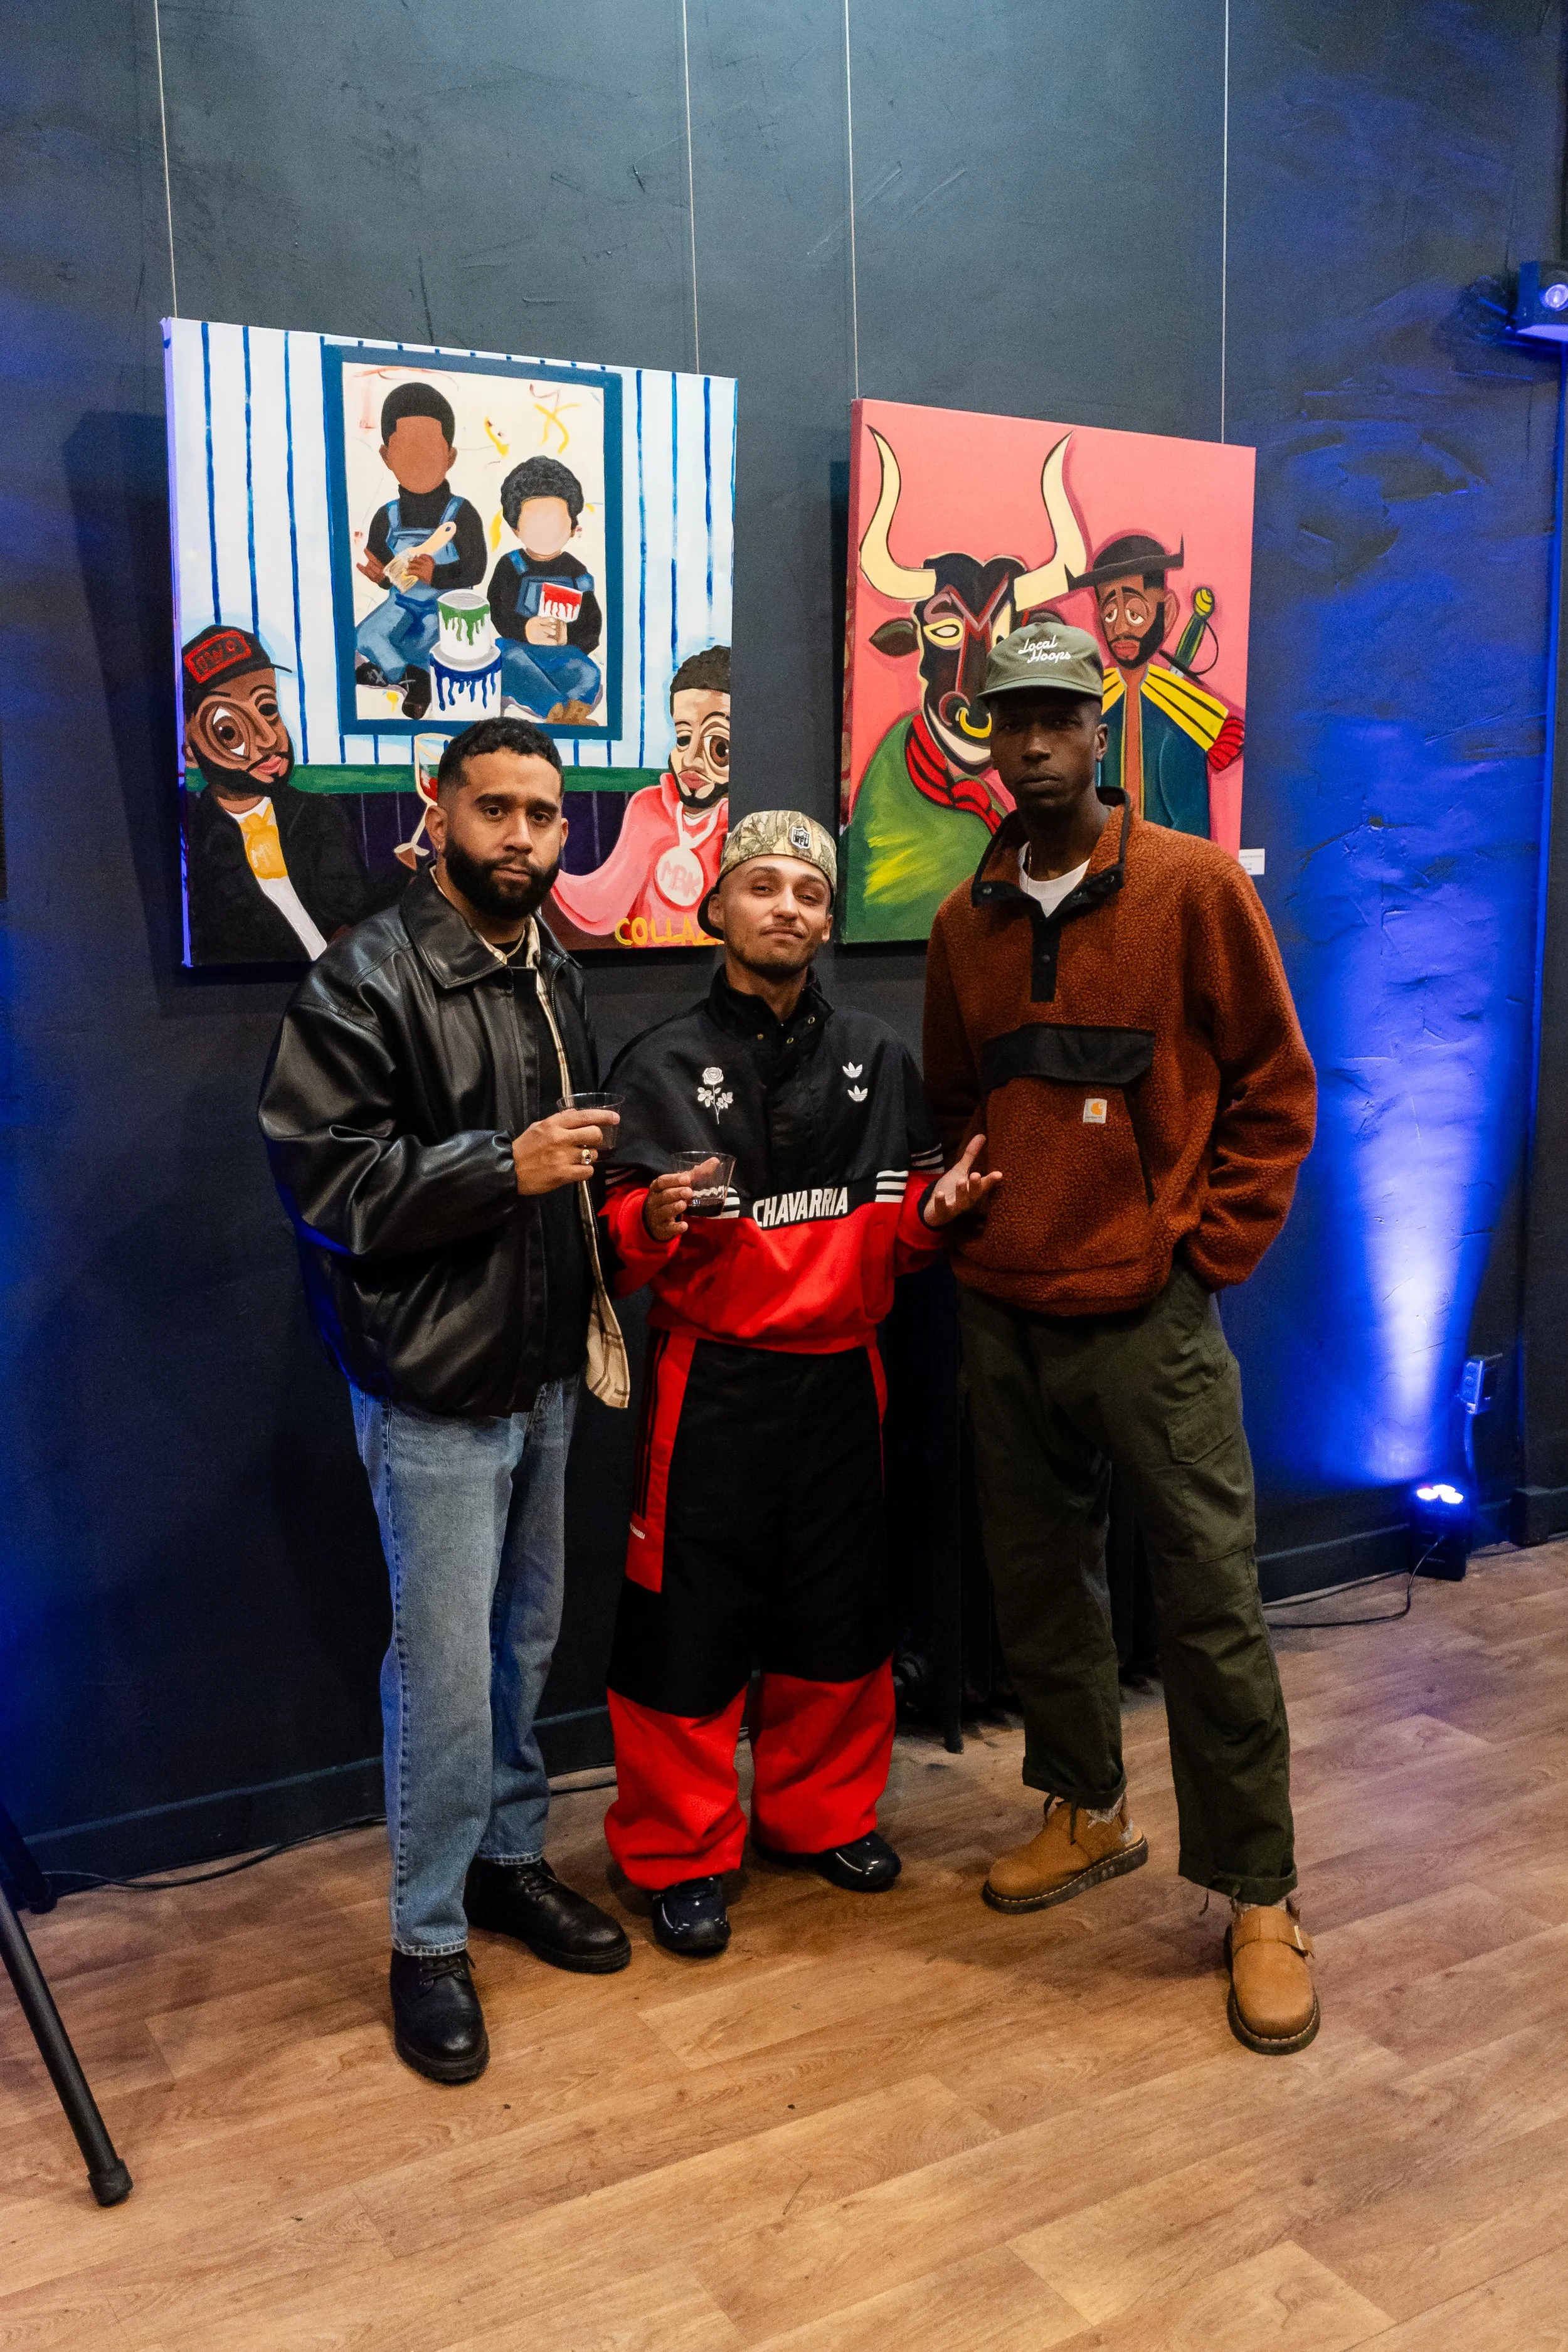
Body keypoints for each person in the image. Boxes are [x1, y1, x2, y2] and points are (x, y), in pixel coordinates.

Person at [922, 619, 1320, 2056]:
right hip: (1004, 1309)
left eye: (1057, 720)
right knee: (1039, 1582)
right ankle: (1083, 1802)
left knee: (1209, 1599)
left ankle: (1262, 1893)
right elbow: (957, 1098)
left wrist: (1201, 1251)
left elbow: (1276, 1086)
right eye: (1008, 721)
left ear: (1101, 732)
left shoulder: (1191, 885)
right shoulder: (966, 917)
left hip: (1146, 1316)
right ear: (983, 733)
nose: (1032, 744)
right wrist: (963, 1210)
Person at [258, 715, 632, 2084]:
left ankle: (507, 1866)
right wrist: (500, 1169)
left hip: (540, 1371)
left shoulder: (547, 966)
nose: (525, 837)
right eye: (498, 812)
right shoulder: (362, 980)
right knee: (441, 1678)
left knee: (521, 1648)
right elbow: (325, 1185)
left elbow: (561, 1157)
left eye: (544, 814)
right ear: (438, 809)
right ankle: (425, 1939)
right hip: (432, 1386)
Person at [594, 810, 996, 1958]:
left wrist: (940, 1216)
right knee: (684, 1629)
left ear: (829, 918)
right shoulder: (658, 1062)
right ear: (717, 907)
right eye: (761, 886)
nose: (786, 908)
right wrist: (655, 1214)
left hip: (840, 1385)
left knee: (840, 1619)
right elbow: (611, 1249)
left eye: (809, 893)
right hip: (708, 1382)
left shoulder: (879, 1056)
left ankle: (818, 1817)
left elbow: (904, 1233)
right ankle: (680, 1851)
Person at [181, 623, 371, 964]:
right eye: (229, 731)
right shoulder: (193, 843)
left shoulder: (319, 814)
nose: (268, 740)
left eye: (268, 709)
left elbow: (356, 912)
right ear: (190, 751)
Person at [550, 645, 729, 946]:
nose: (691, 759)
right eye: (683, 738)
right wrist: (545, 861)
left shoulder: (737, 829)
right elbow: (604, 900)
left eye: (719, 748)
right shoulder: (649, 808)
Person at [1067, 533, 1243, 835]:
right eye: (1110, 615)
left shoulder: (1188, 715)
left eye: (1135, 614)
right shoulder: (1092, 706)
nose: (1121, 628)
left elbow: (1192, 822)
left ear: (1169, 612)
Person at [354, 383, 487, 721]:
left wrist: (437, 574)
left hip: (445, 610)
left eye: (429, 448)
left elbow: (476, 569)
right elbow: (389, 574)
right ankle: (410, 679)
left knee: (444, 649)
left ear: (450, 456)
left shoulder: (461, 514)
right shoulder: (386, 517)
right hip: (400, 604)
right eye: (407, 449)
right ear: (387, 456)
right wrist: (381, 579)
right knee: (367, 635)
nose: (419, 460)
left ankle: (400, 675)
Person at [487, 455, 603, 723]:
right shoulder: (510, 566)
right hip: (521, 651)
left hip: (563, 656)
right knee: (506, 659)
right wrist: (524, 629)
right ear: (516, 528)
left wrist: (568, 635)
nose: (545, 532)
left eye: (554, 523)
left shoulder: (577, 572)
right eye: (535, 523)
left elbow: (591, 626)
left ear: (574, 528)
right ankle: (553, 709)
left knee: (589, 674)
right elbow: (498, 611)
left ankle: (574, 712)